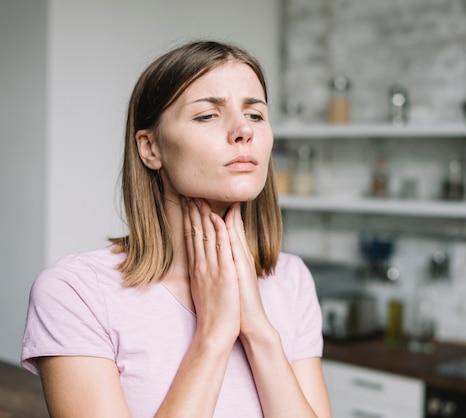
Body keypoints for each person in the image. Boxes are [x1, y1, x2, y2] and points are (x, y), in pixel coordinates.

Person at [21, 40, 332, 418]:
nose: (242, 132)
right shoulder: (75, 292)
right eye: (207, 116)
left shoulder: (291, 279)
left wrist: (259, 332)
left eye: (255, 115)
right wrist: (213, 337)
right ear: (150, 148)